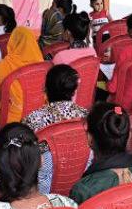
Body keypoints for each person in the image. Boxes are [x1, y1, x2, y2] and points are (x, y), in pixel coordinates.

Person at [23, 64, 89, 195]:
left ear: (46, 89)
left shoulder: (33, 119)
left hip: (43, 188)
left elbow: (25, 156)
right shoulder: (86, 117)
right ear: (74, 91)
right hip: (80, 182)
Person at [0, 26, 43, 124]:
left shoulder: (4, 65)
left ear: (12, 42)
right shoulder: (41, 63)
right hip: (39, 118)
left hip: (12, 122)